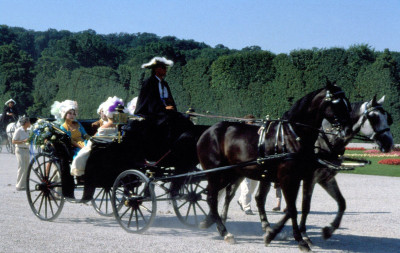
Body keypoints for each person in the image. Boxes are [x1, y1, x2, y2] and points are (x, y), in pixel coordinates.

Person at [134, 56, 193, 147]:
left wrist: (169, 105)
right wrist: (164, 108)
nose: (166, 70)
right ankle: (167, 145)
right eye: (164, 68)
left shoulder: (164, 84)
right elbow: (150, 102)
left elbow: (167, 99)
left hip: (163, 111)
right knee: (169, 120)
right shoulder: (149, 82)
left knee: (184, 118)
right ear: (157, 69)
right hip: (150, 112)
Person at [70, 96, 123, 177]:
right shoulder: (121, 127)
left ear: (107, 114)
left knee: (83, 153)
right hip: (115, 149)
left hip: (100, 149)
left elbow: (94, 139)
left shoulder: (103, 128)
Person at [237, 114, 259, 215]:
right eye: (251, 122)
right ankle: (247, 207)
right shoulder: (242, 133)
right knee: (246, 184)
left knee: (254, 184)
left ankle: (241, 200)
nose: (253, 124)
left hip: (255, 161)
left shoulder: (256, 132)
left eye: (254, 122)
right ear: (246, 123)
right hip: (244, 162)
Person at [12, 116, 31, 191]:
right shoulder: (19, 130)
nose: (30, 123)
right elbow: (13, 141)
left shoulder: (28, 130)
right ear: (26, 123)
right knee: (22, 167)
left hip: (26, 149)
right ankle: (18, 185)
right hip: (20, 150)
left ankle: (24, 185)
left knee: (26, 167)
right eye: (29, 122)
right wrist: (23, 141)